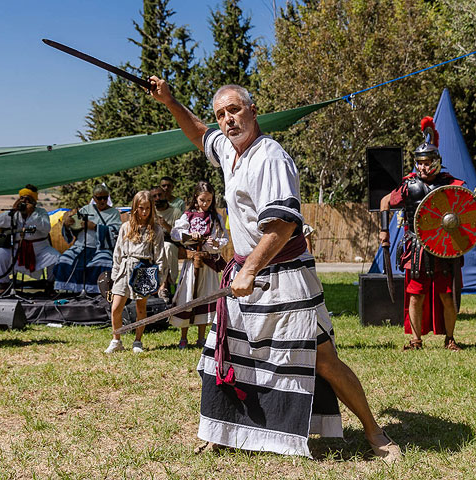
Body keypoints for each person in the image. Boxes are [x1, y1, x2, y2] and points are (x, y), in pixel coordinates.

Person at [150, 76, 401, 461]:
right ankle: (223, 432)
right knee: (227, 354)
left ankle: (375, 433)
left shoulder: (270, 156)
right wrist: (169, 101)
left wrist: (249, 270)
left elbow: (283, 225)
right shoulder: (229, 150)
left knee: (323, 359)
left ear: (253, 110)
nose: (227, 120)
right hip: (244, 271)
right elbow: (199, 133)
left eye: (234, 110)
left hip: (284, 276)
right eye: (221, 114)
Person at [379, 117, 464, 351]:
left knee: (448, 296)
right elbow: (385, 201)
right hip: (416, 248)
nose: (423, 167)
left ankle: (450, 338)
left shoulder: (451, 185)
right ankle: (416, 340)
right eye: (420, 162)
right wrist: (384, 230)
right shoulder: (409, 185)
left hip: (444, 248)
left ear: (436, 162)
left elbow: (467, 213)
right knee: (416, 295)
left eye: (427, 162)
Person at [105, 191, 166, 354]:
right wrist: (114, 275)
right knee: (116, 307)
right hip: (125, 268)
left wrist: (160, 278)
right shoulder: (126, 227)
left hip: (144, 269)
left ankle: (138, 341)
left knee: (140, 308)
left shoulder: (156, 230)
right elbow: (117, 252)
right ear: (135, 208)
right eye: (141, 208)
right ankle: (116, 340)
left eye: (147, 208)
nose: (144, 212)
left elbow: (160, 256)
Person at [170, 181, 229, 349]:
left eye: (209, 200)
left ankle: (202, 338)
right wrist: (189, 234)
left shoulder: (216, 217)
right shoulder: (188, 215)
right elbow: (175, 233)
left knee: (206, 297)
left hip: (208, 264)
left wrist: (216, 243)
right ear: (196, 198)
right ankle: (183, 338)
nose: (205, 203)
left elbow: (224, 238)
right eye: (203, 200)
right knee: (187, 296)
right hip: (191, 263)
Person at [54, 184, 122, 293]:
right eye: (99, 198)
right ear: (94, 198)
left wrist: (96, 227)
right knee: (65, 259)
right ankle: (69, 291)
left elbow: (116, 232)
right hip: (81, 246)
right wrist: (68, 224)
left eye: (105, 198)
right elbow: (74, 227)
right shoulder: (85, 210)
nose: (102, 201)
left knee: (103, 262)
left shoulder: (114, 213)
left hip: (102, 249)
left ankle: (97, 291)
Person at [0, 184, 60, 291]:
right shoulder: (15, 214)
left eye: (28, 199)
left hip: (40, 250)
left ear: (34, 202)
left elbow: (46, 228)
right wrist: (13, 210)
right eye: (22, 199)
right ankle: (3, 286)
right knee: (1, 253)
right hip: (17, 249)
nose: (24, 202)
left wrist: (32, 213)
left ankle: (50, 285)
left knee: (56, 257)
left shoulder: (40, 212)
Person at [151, 185, 183, 301]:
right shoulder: (150, 212)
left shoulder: (175, 212)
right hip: (153, 245)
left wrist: (165, 225)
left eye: (160, 195)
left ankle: (167, 283)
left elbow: (179, 235)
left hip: (171, 243)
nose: (158, 198)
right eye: (154, 196)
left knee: (167, 247)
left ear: (165, 195)